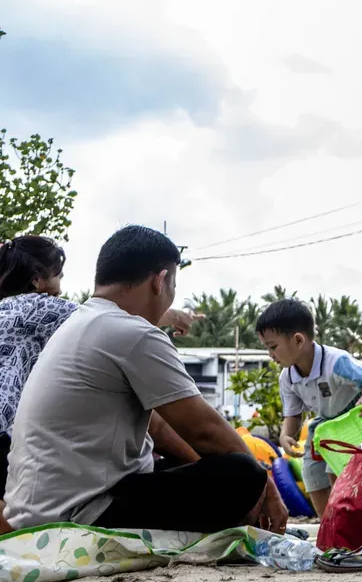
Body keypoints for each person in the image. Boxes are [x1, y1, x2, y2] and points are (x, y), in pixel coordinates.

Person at [1, 225, 286, 535]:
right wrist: (264, 484)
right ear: (159, 281)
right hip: (79, 512)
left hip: (39, 505)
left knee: (197, 465)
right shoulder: (133, 333)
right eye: (173, 285)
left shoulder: (81, 322)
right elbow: (205, 431)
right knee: (242, 473)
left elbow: (160, 428)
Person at [0, 237, 197, 513]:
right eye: (59, 275)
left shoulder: (7, 309)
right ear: (36, 279)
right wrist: (174, 316)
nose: (60, 287)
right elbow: (106, 313)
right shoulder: (37, 307)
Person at [256, 298, 362, 518]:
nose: (270, 354)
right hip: (326, 422)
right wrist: (286, 435)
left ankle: (352, 521)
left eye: (273, 347)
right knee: (311, 473)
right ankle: (328, 524)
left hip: (357, 418)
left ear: (298, 340)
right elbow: (294, 414)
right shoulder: (287, 377)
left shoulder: (336, 362)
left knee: (340, 471)